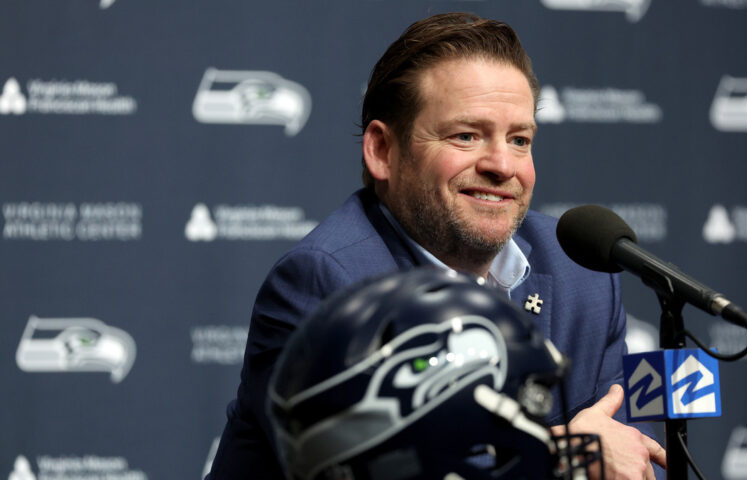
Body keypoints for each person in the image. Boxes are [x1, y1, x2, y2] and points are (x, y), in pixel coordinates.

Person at [207, 12, 666, 479]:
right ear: (383, 151)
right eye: (466, 136)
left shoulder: (581, 275)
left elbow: (635, 459)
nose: (502, 165)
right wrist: (569, 457)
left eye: (520, 139)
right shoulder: (326, 284)